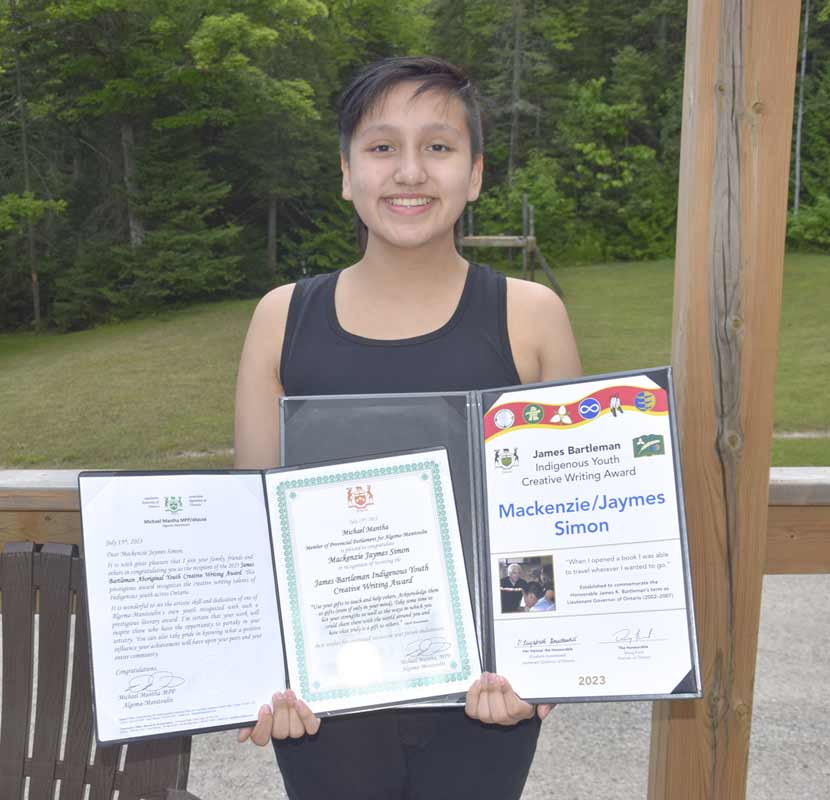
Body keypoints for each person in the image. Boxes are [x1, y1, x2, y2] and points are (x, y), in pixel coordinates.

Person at [232, 55, 582, 800]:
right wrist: (261, 675)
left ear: (476, 173)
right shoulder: (280, 320)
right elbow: (252, 528)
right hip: (325, 703)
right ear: (346, 171)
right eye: (382, 146)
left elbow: (562, 521)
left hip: (487, 695)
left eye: (439, 146)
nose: (410, 171)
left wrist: (544, 659)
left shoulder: (532, 317)